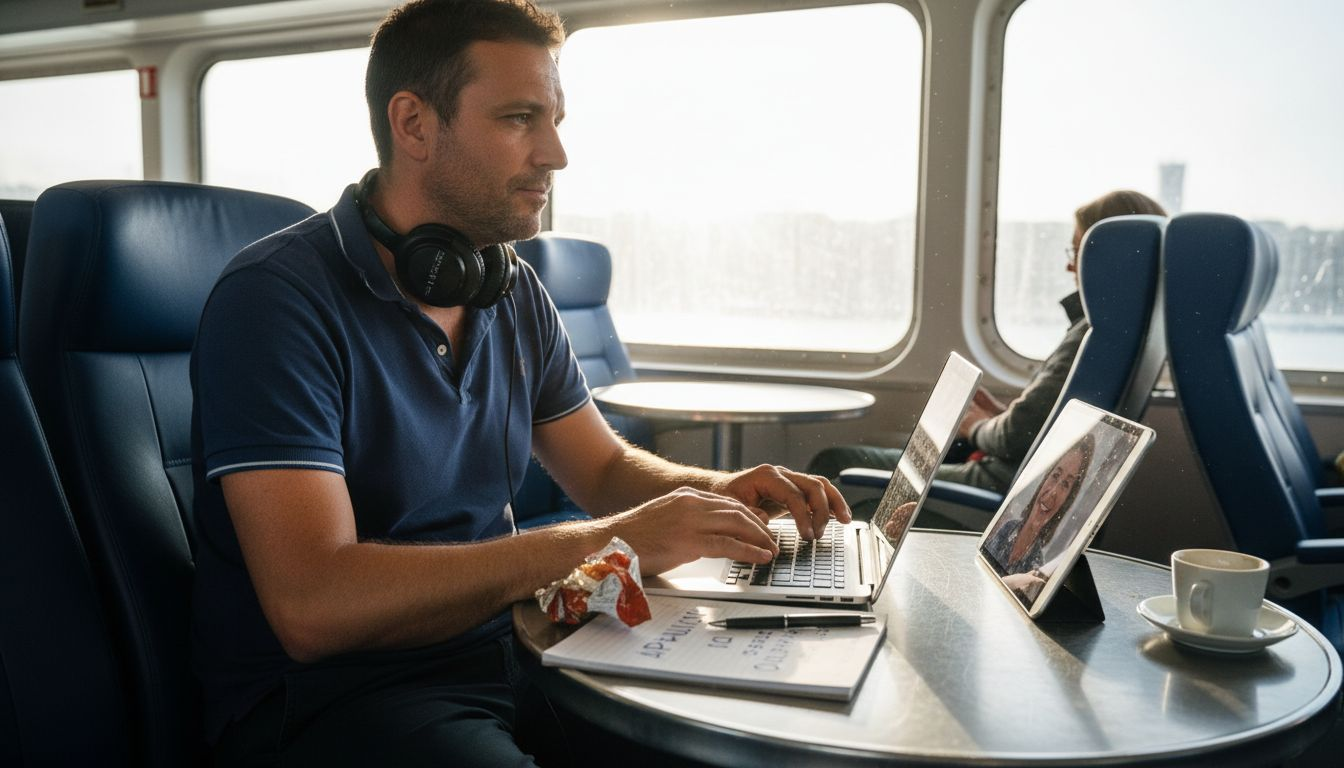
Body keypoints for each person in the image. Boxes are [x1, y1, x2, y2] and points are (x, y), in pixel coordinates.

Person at [189, 2, 848, 765]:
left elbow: (603, 469)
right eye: (518, 118)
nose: (556, 154)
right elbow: (315, 605)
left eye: (555, 120)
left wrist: (721, 492)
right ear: (414, 125)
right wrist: (602, 541)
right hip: (343, 695)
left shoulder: (508, 288)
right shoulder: (276, 300)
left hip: (518, 639)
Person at [807, 190, 1166, 500]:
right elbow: (1038, 427)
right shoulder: (1131, 333)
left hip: (996, 485)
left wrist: (977, 427)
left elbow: (1015, 438)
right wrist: (999, 413)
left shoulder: (1090, 335)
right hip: (1011, 476)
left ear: (1107, 260)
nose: (1070, 268)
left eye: (1078, 253)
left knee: (834, 463)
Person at [982, 433, 1095, 603]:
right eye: (1055, 476)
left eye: (1065, 485)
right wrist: (1008, 583)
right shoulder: (1008, 528)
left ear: (1067, 501)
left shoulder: (1036, 566)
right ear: (1045, 478)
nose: (1053, 492)